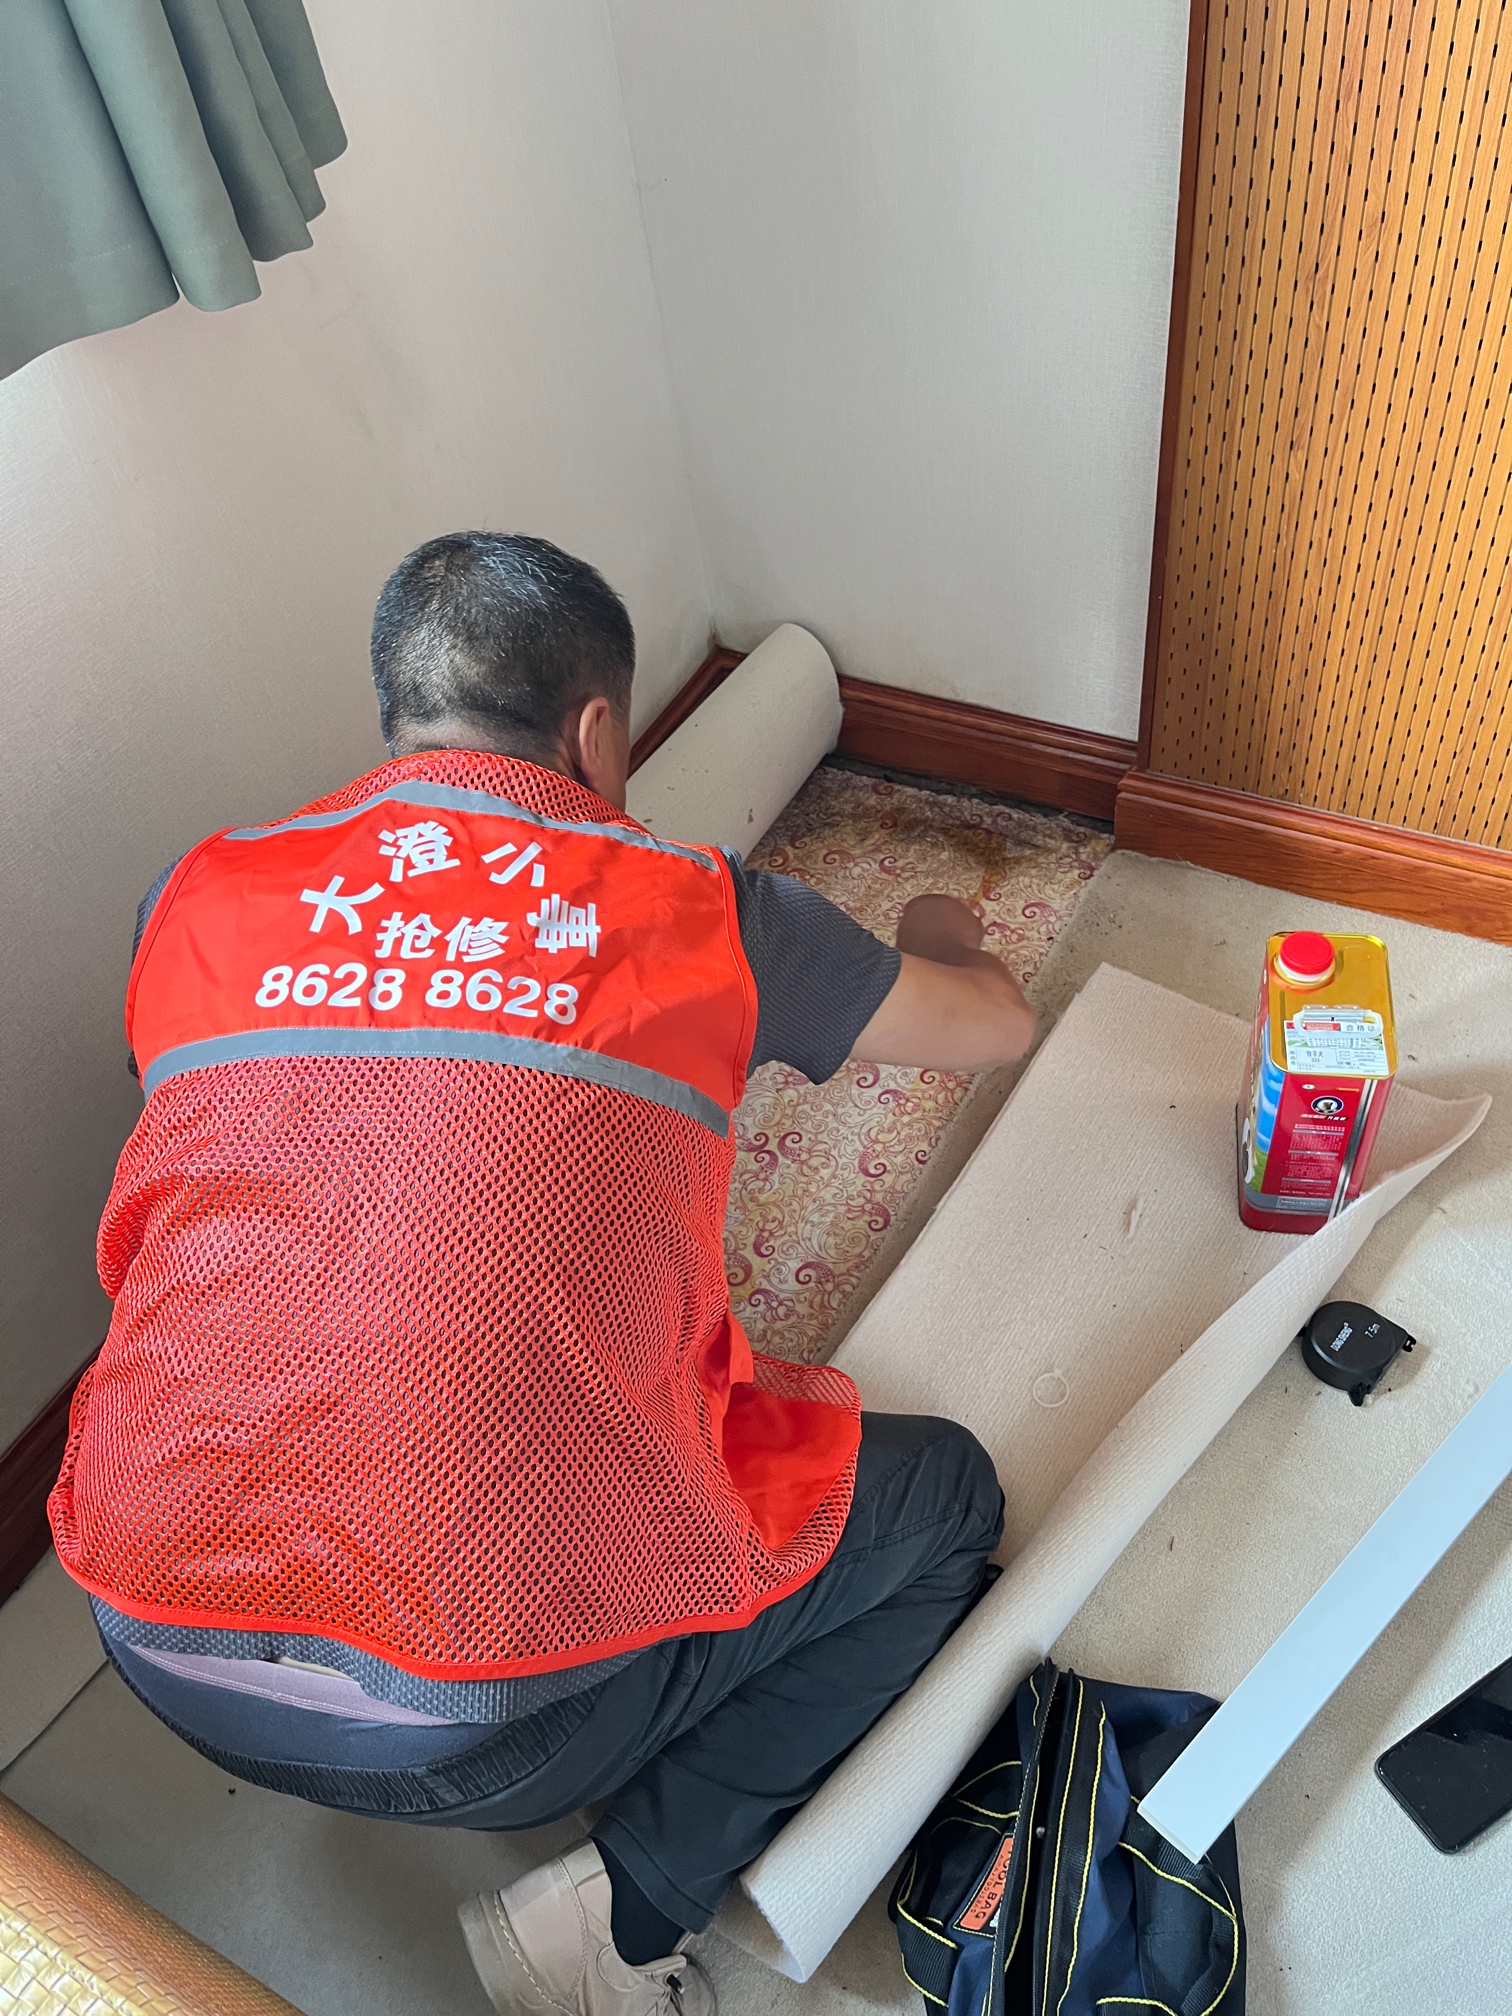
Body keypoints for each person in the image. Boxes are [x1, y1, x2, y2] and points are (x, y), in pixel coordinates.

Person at [50, 533, 1035, 2016]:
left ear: (402, 717)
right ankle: (623, 1920)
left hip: (140, 1630)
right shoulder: (700, 909)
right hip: (483, 1734)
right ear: (597, 733)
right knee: (945, 1501)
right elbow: (994, 1028)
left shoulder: (195, 895)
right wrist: (943, 926)